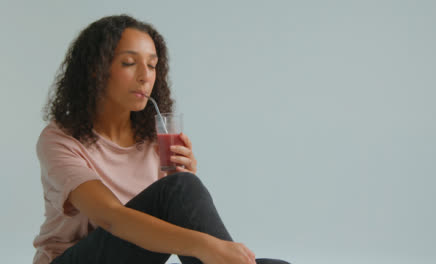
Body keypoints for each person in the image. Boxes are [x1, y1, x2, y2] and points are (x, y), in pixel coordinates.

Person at [32, 14, 290, 264]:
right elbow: (111, 217)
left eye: (152, 65)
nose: (146, 76)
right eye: (129, 63)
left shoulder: (157, 140)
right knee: (180, 189)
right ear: (96, 70)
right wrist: (206, 244)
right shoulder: (60, 140)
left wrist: (180, 185)